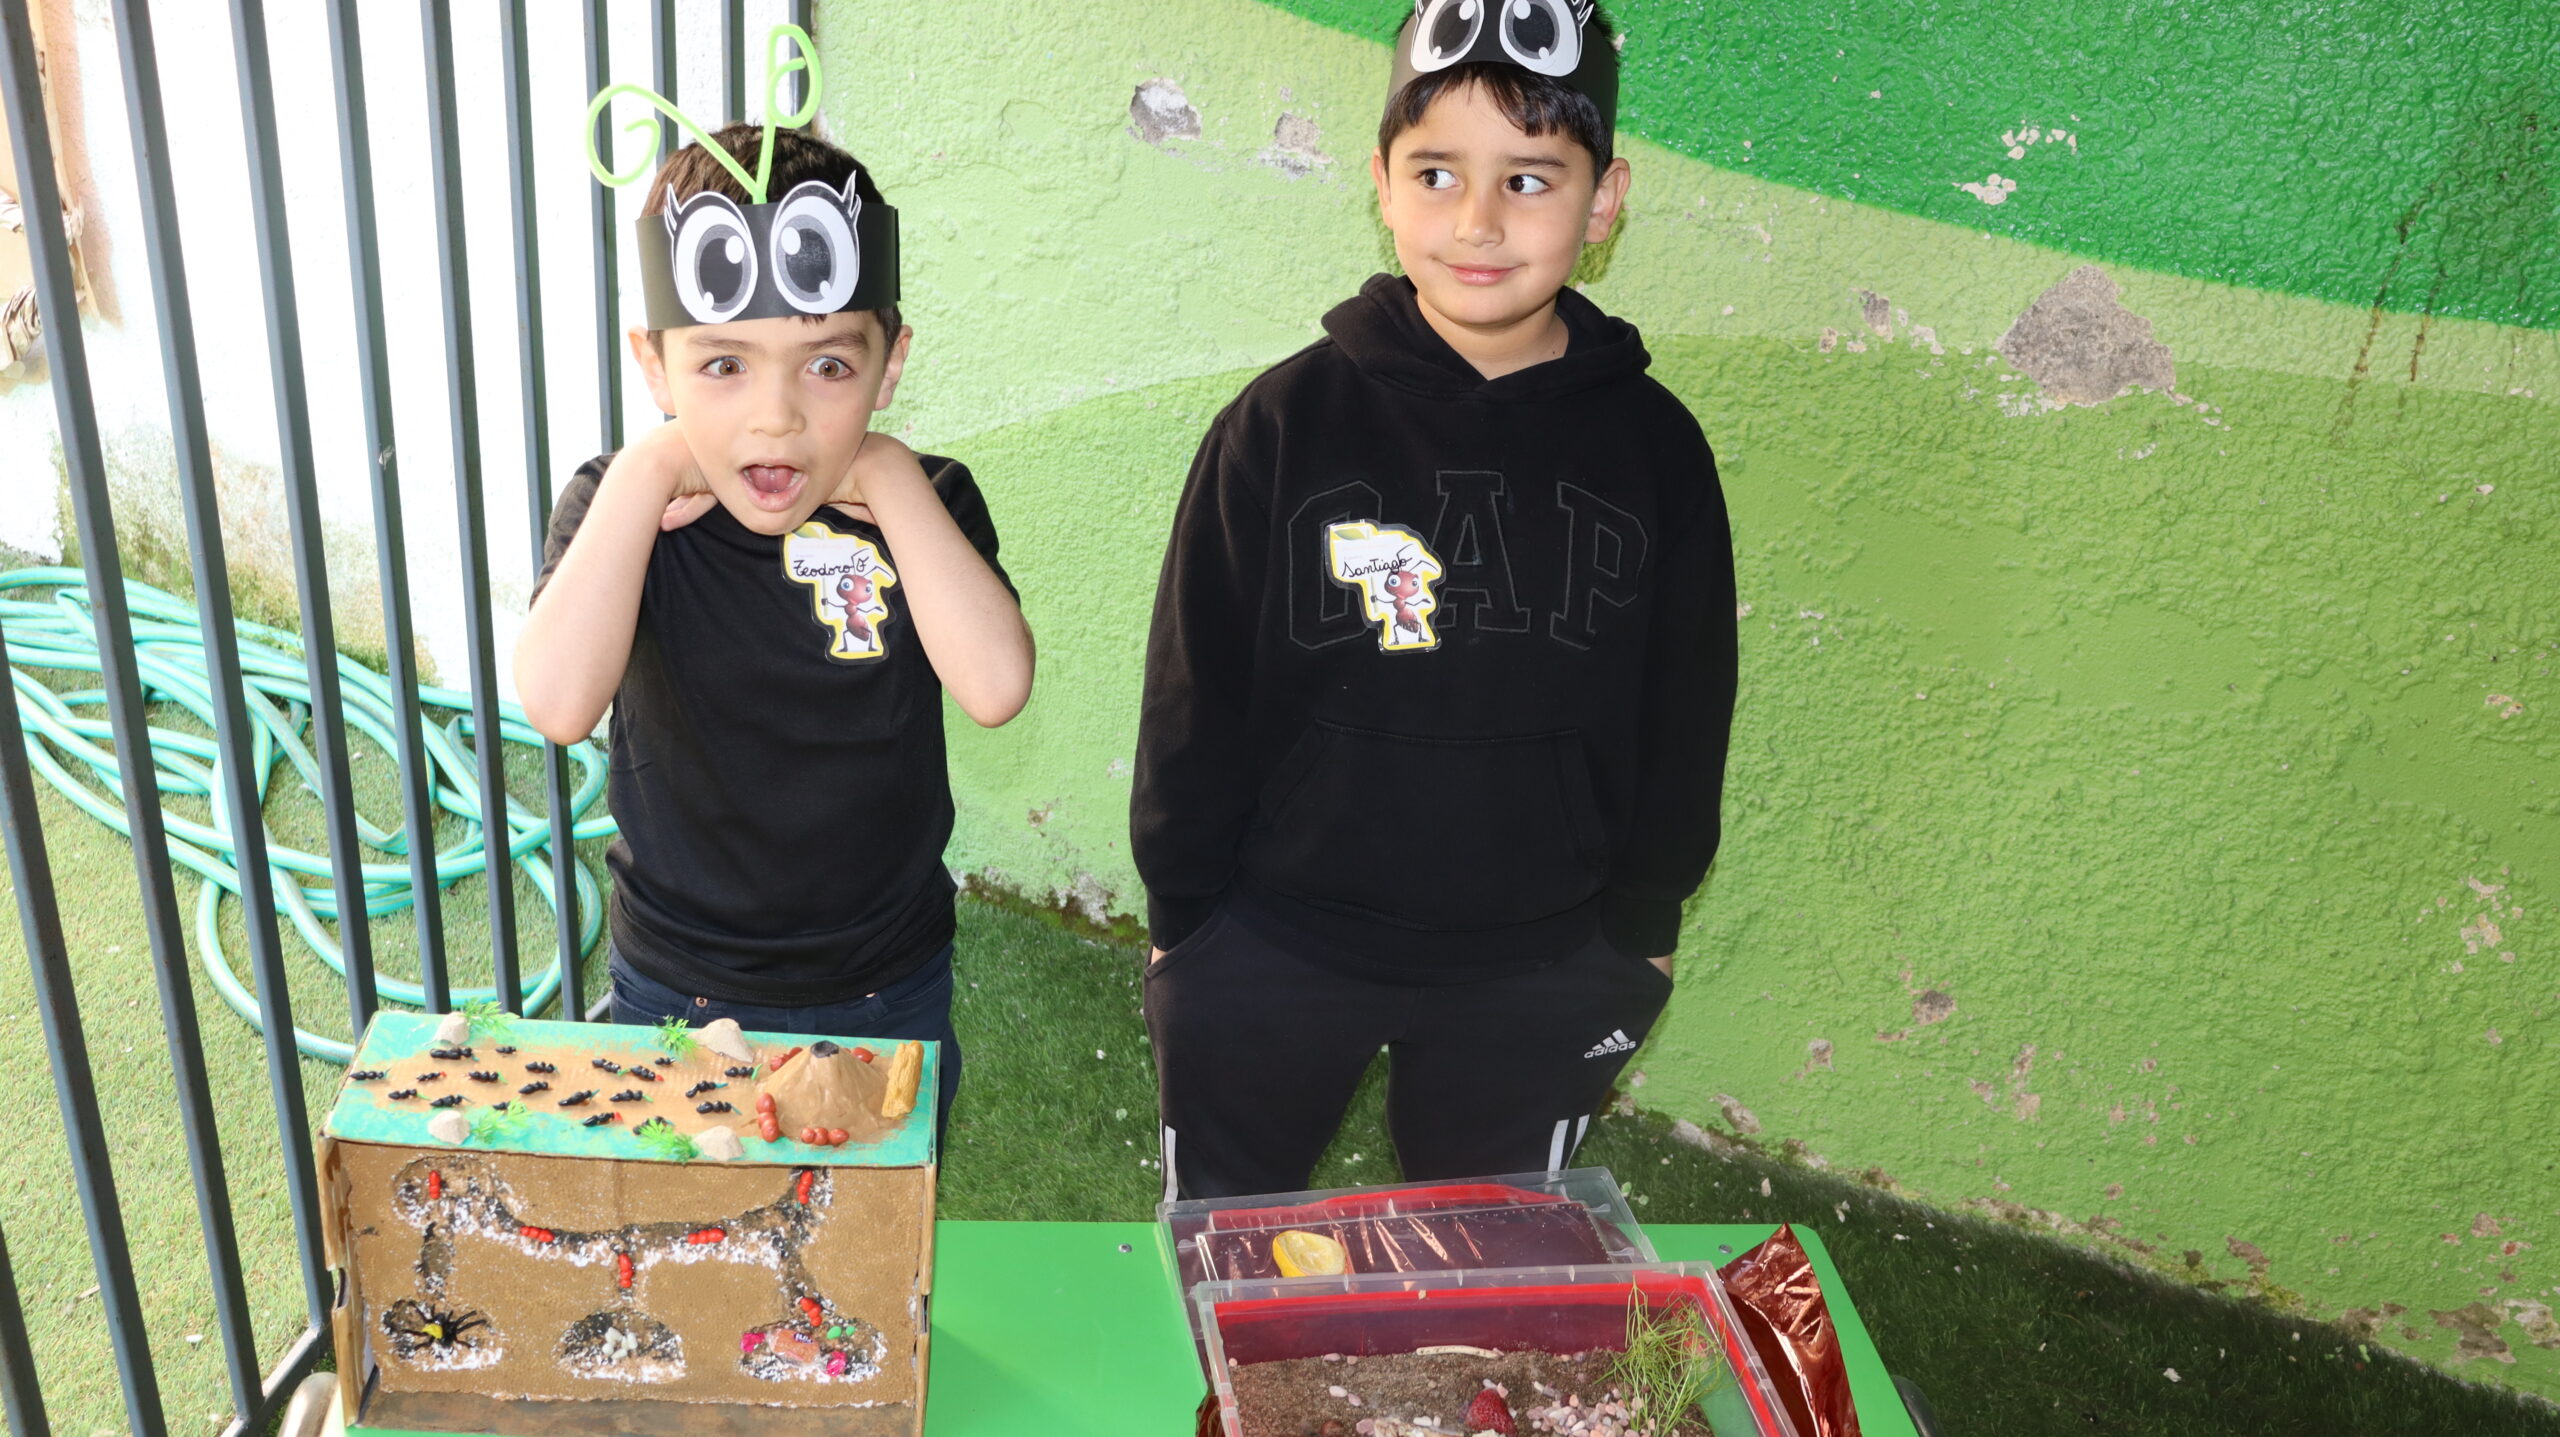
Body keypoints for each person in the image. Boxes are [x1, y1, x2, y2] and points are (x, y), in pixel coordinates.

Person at [1132, 0, 1737, 1199]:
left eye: (1529, 179)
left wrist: (1645, 922)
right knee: (1225, 1241)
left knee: (1490, 1264)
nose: (1477, 221)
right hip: (1272, 942)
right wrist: (1183, 912)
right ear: (1381, 184)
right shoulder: (1279, 425)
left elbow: (1686, 704)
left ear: (1604, 200)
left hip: (1544, 960)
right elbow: (1197, 685)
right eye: (1436, 173)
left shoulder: (1657, 450)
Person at [516, 120, 1033, 1131]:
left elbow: (995, 684)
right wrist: (645, 471)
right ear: (654, 365)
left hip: (885, 980)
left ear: (889, 367)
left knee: (871, 1217)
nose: (776, 416)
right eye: (723, 365)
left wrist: (887, 472)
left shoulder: (925, 504)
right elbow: (558, 702)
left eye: (827, 367)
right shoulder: (620, 505)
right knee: (694, 1212)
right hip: (678, 981)